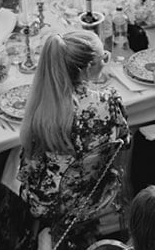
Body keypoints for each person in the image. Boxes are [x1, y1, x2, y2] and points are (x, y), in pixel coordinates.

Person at [19, 30, 130, 227]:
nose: (106, 61)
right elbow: (125, 141)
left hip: (50, 205)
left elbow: (30, 168)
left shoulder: (42, 106)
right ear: (87, 68)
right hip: (95, 192)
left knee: (10, 162)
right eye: (104, 57)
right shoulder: (108, 101)